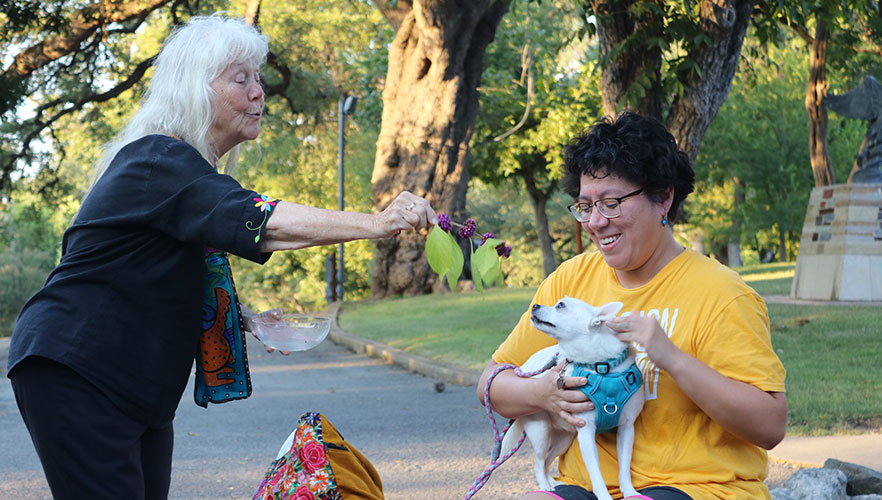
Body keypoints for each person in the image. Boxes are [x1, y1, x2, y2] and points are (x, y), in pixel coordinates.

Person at [6, 14, 435, 500]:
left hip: (134, 387)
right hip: (78, 369)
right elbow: (262, 221)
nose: (259, 93)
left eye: (259, 78)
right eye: (241, 79)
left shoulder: (184, 170)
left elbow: (155, 270)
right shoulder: (157, 159)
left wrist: (245, 319)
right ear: (197, 89)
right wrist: (377, 223)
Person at [477, 112, 787, 500]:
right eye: (585, 206)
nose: (595, 222)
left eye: (611, 203)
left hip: (701, 488)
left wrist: (672, 359)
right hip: (587, 489)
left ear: (664, 197)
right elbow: (491, 383)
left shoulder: (722, 294)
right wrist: (543, 393)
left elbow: (771, 425)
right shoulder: (568, 283)